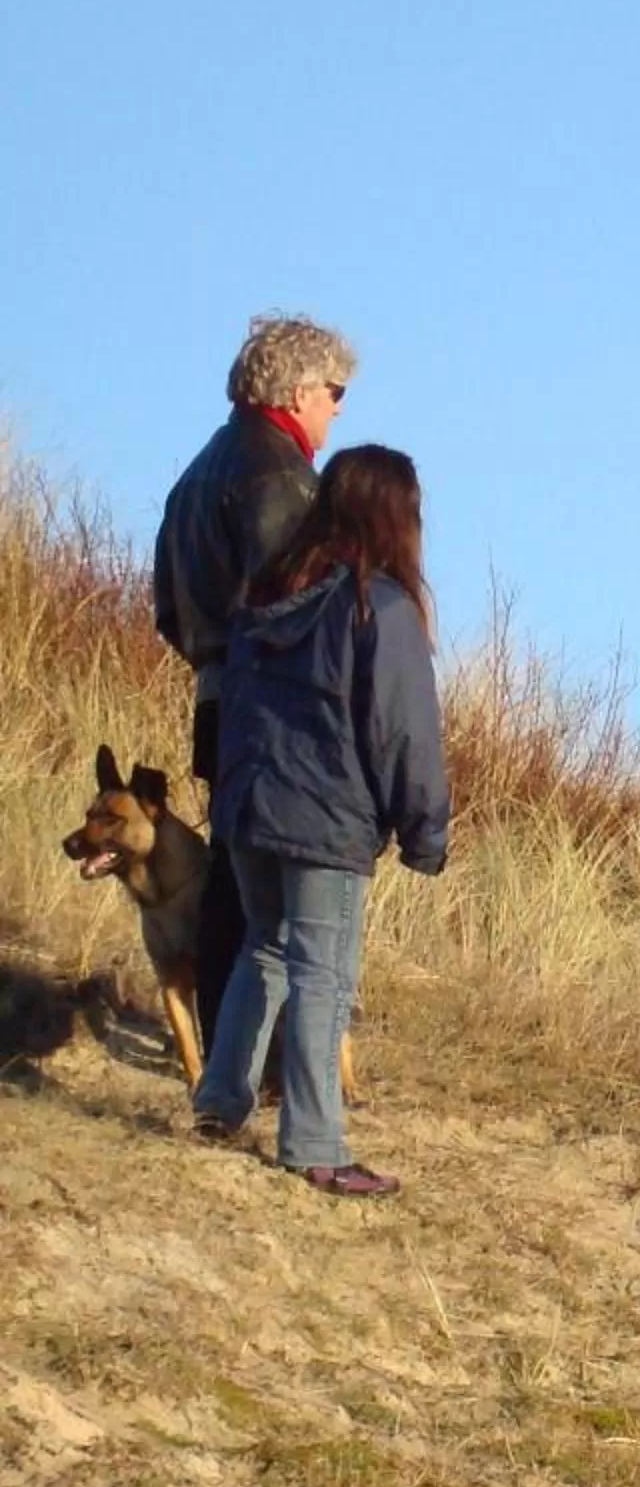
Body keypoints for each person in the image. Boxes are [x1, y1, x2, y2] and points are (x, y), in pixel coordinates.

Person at [190, 445, 449, 1197]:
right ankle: (314, 1143)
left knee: (263, 950)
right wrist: (426, 829)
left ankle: (219, 1102)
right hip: (323, 820)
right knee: (322, 975)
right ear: (396, 515)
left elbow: (236, 706)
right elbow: (403, 730)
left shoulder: (266, 596)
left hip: (250, 808)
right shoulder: (383, 609)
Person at [153, 313, 357, 1054]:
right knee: (271, 889)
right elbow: (296, 606)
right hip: (270, 703)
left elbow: (167, 608)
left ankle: (225, 1058)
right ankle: (266, 1063)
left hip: (217, 692)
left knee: (232, 880)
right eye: (334, 390)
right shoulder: (278, 474)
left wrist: (214, 661)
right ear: (299, 390)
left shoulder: (197, 472)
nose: (338, 407)